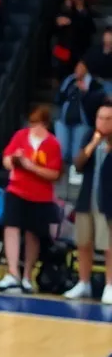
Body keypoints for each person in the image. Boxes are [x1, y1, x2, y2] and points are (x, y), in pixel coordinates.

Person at [0, 105, 62, 292]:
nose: (34, 127)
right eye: (32, 123)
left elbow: (54, 173)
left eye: (38, 123)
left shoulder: (53, 144)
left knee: (33, 234)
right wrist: (14, 160)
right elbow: (6, 159)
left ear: (46, 124)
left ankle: (27, 276)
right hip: (16, 189)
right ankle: (12, 272)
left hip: (40, 195)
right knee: (11, 227)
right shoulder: (20, 136)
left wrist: (30, 166)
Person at [64, 102, 112, 303]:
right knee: (83, 243)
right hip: (87, 199)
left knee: (109, 245)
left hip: (108, 202)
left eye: (108, 119)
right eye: (100, 118)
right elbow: (78, 164)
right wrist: (93, 144)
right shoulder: (89, 136)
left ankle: (110, 285)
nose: (102, 122)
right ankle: (84, 282)